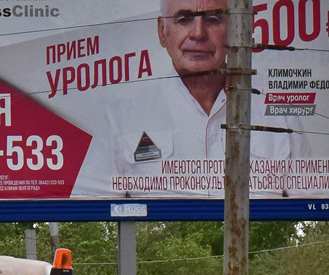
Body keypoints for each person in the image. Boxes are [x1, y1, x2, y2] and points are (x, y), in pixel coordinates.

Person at [72, 0, 312, 199]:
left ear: (235, 30)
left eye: (213, 19)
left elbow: (313, 205)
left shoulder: (277, 111)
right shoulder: (122, 115)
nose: (198, 33)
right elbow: (88, 206)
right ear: (162, 31)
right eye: (184, 19)